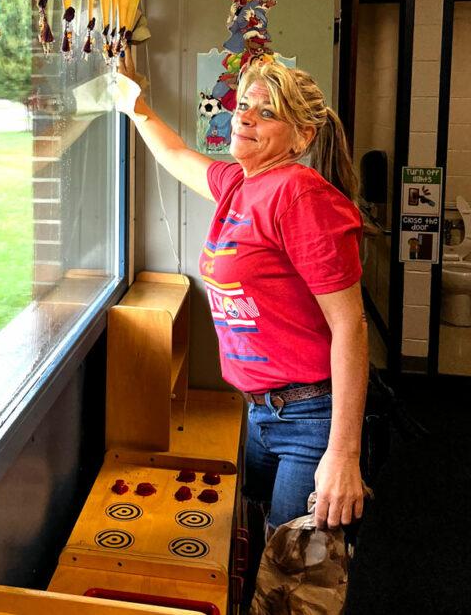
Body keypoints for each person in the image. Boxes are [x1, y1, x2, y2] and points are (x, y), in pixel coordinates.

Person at [117, 48, 368, 602]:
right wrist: (132, 102)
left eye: (266, 112)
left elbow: (350, 327)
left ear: (301, 137)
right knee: (260, 560)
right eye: (244, 104)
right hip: (259, 414)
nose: (245, 117)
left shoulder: (299, 195)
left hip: (310, 419)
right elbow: (176, 154)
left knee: (295, 583)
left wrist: (343, 453)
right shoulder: (240, 184)